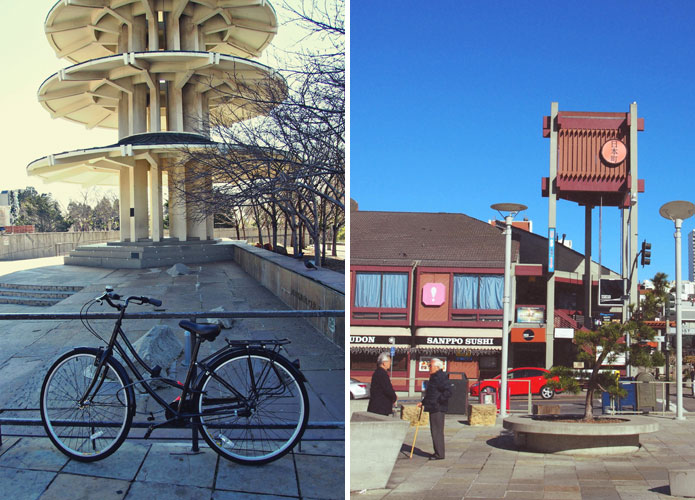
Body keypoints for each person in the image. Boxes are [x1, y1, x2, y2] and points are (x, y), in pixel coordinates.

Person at [417, 358, 451, 460]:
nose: (429, 368)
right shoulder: (434, 377)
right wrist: (423, 402)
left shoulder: (440, 377)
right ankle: (437, 452)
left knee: (437, 431)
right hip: (433, 406)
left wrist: (439, 401)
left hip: (438, 408)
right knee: (434, 431)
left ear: (437, 367)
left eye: (430, 366)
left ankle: (440, 454)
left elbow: (448, 391)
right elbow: (431, 393)